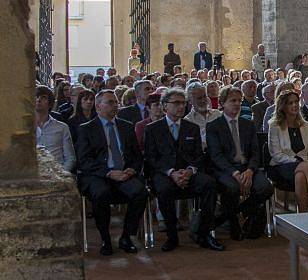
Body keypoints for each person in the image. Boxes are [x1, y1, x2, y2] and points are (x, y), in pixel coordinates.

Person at [145, 88, 224, 252]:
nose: (181, 107)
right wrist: (171, 172)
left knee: (209, 184)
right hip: (165, 174)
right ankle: (172, 235)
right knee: (163, 189)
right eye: (176, 103)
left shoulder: (191, 128)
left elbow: (198, 156)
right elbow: (151, 158)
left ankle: (203, 233)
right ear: (165, 106)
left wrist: (189, 170)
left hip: (188, 173)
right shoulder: (153, 129)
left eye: (183, 103)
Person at [76, 90, 148, 256]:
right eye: (110, 102)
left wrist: (132, 169)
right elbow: (84, 161)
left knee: (140, 192)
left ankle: (126, 236)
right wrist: (109, 173)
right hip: (99, 175)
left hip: (124, 173)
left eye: (116, 102)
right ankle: (105, 238)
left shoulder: (126, 126)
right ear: (98, 106)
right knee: (100, 193)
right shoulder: (87, 129)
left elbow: (136, 155)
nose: (115, 105)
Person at [206, 86, 273, 240]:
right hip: (226, 170)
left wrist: (250, 171)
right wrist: (234, 173)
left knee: (266, 188)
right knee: (231, 188)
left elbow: (255, 153)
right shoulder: (214, 126)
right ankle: (234, 223)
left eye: (239, 101)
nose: (237, 104)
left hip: (247, 168)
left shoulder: (247, 125)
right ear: (222, 103)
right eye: (232, 101)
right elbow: (216, 156)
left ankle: (226, 216)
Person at [267, 90, 308, 213]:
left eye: (296, 102)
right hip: (282, 166)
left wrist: (307, 163)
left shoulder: (307, 126)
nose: (294, 105)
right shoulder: (274, 126)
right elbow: (276, 155)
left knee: (300, 176)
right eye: (290, 103)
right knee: (306, 168)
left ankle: (303, 215)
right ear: (283, 106)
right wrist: (301, 162)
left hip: (306, 168)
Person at [34, 85, 76, 172]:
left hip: (57, 173)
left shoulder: (62, 127)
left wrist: (62, 174)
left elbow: (70, 158)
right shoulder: (25, 127)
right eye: (36, 97)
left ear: (50, 103)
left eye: (43, 97)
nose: (38, 100)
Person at [184, 81, 222, 149]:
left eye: (205, 96)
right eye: (199, 98)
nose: (203, 100)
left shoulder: (218, 114)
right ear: (190, 101)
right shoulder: (188, 121)